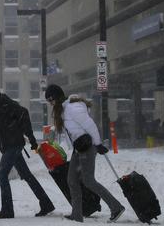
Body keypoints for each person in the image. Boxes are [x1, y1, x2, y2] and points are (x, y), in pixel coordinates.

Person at [0, 81, 54, 219]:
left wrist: (31, 138)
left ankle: (7, 210)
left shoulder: (5, 103)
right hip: (6, 145)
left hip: (14, 143)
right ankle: (46, 203)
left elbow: (23, 114)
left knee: (2, 175)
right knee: (26, 175)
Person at [45, 84, 125, 223]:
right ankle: (77, 214)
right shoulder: (63, 109)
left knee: (88, 180)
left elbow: (90, 125)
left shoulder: (72, 108)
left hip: (87, 147)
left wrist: (98, 144)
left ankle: (116, 207)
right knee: (72, 180)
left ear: (57, 97)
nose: (50, 103)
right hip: (79, 148)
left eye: (51, 100)